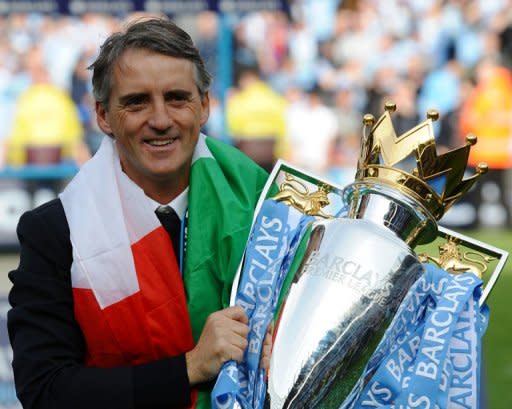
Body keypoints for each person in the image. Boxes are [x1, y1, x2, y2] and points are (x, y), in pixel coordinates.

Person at [7, 17, 270, 409]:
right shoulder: (53, 231)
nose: (161, 119)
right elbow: (44, 391)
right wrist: (190, 367)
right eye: (136, 102)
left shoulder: (268, 211)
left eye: (177, 97)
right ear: (102, 116)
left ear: (204, 107)